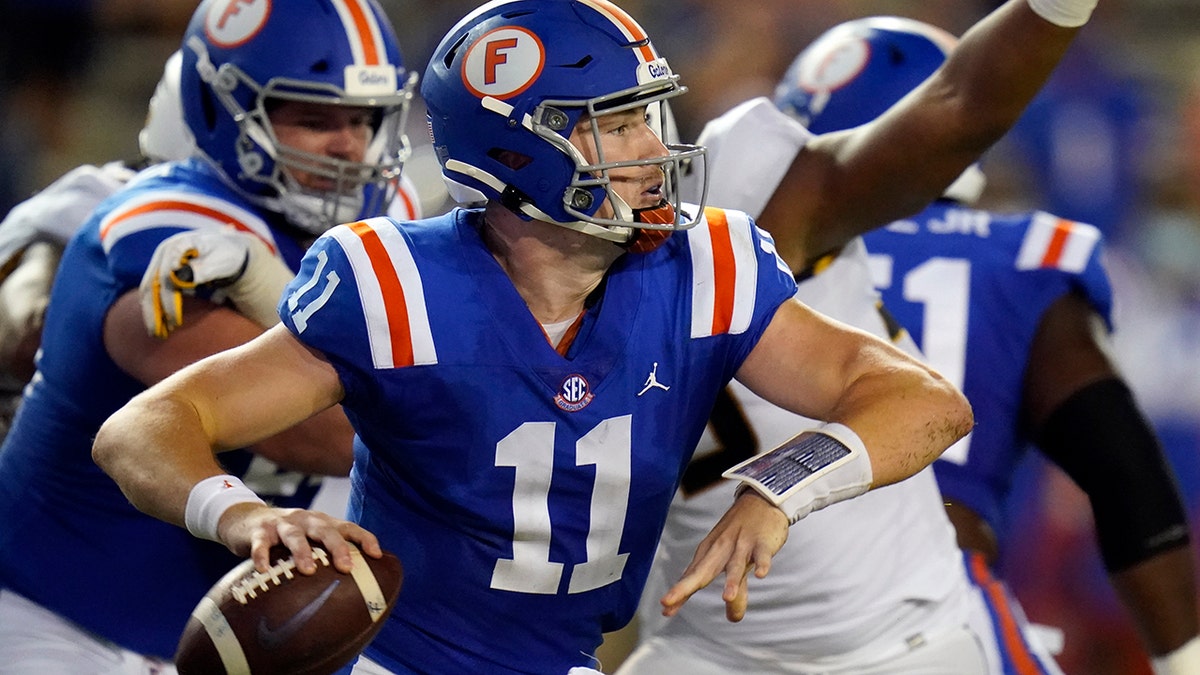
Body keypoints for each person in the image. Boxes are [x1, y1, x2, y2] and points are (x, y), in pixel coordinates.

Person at [92, 0, 1095, 671]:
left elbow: (927, 401)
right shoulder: (395, 283)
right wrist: (237, 516)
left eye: (651, 120)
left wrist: (781, 491)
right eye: (613, 127)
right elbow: (146, 428)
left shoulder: (703, 268)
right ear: (510, 151)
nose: (653, 151)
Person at [618, 17, 1062, 675]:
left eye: (632, 117)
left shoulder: (736, 212)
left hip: (898, 637)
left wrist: (778, 488)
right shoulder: (487, 294)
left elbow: (929, 405)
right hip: (704, 643)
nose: (640, 144)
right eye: (599, 123)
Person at [0, 0, 419, 670]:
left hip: (228, 625)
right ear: (218, 114)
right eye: (312, 117)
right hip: (59, 613)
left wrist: (273, 287)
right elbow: (332, 433)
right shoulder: (163, 228)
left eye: (363, 118)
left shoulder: (383, 219)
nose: (349, 146)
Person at [782, 15, 1198, 674]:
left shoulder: (741, 257)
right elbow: (1125, 475)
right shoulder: (1016, 261)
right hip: (932, 620)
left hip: (750, 611)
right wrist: (1184, 658)